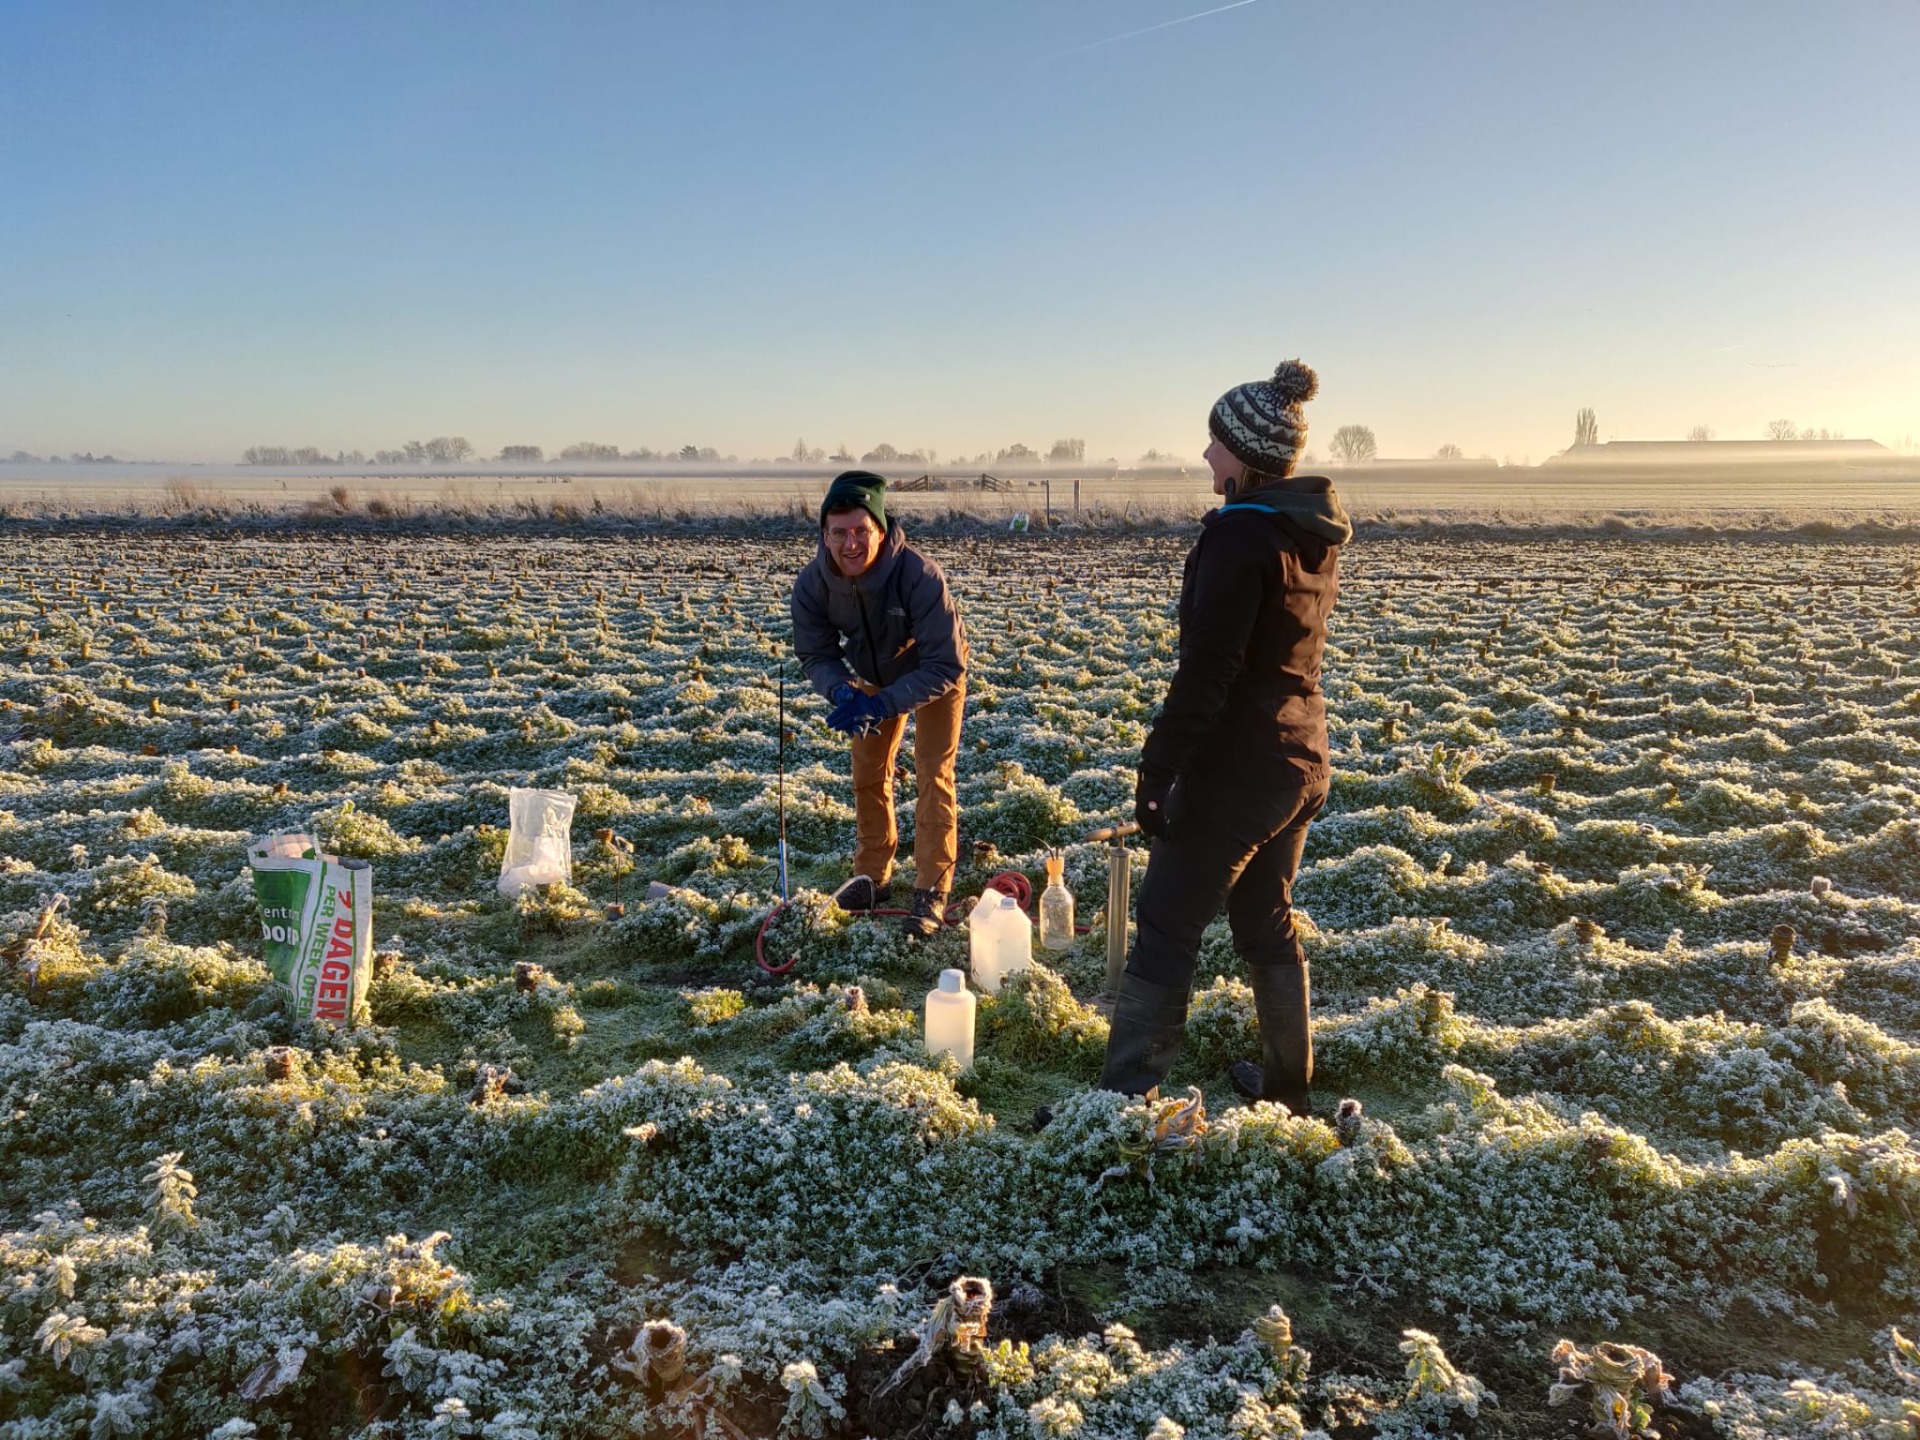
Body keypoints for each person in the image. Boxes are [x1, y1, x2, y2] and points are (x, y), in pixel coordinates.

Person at [1099, 360, 1351, 1114]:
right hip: (1301, 760)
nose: (1206, 456)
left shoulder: (1239, 540)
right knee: (1262, 916)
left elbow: (1209, 673)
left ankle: (1120, 1107)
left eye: (1215, 443)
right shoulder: (1310, 530)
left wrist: (1157, 773)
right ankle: (1287, 1088)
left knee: (1168, 923)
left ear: (1243, 454)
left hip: (1241, 769)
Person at [792, 472, 969, 938]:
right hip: (870, 677)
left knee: (932, 772)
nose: (851, 543)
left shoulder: (920, 576)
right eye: (839, 532)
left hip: (934, 674)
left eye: (861, 531)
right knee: (868, 773)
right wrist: (841, 691)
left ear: (881, 528)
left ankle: (931, 889)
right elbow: (816, 653)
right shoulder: (813, 584)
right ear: (824, 534)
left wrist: (885, 704)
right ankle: (873, 877)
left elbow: (945, 664)